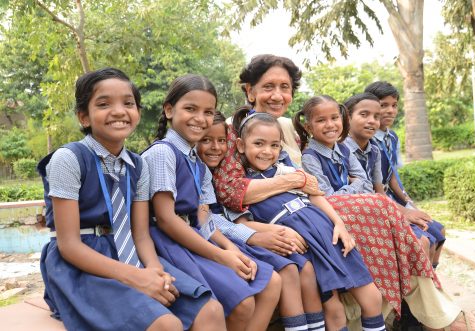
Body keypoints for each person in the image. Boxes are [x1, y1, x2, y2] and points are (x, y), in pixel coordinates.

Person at [213, 54, 475, 331]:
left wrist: (306, 187)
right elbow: (232, 192)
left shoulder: (288, 127)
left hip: (316, 207)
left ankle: (427, 317)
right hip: (288, 217)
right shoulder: (232, 131)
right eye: (268, 87)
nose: (277, 95)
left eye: (284, 87)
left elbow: (314, 184)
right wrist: (295, 183)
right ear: (250, 91)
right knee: (382, 210)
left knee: (397, 223)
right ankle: (442, 319)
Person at [37, 67, 222, 331]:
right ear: (84, 116)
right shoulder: (69, 159)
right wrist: (137, 278)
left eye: (128, 103)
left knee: (210, 310)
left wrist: (155, 270)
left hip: (130, 252)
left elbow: (141, 234)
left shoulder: (138, 166)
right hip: (80, 262)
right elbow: (68, 245)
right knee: (165, 324)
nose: (119, 111)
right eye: (103, 104)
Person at [141, 74, 280, 331]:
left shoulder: (198, 163)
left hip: (194, 234)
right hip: (166, 242)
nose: (200, 118)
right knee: (242, 302)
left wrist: (231, 249)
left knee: (270, 280)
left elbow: (203, 217)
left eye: (208, 112)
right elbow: (166, 219)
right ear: (169, 110)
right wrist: (221, 256)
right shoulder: (163, 153)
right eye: (190, 109)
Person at [235, 112, 387, 331]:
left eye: (274, 145)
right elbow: (240, 222)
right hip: (302, 239)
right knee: (333, 309)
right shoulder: (239, 182)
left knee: (370, 296)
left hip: (325, 229)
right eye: (259, 143)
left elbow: (316, 195)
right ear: (241, 145)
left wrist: (339, 224)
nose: (267, 151)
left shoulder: (287, 170)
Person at [198, 111, 326, 331]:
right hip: (220, 236)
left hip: (241, 229)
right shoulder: (205, 172)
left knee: (300, 266)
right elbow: (207, 219)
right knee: (280, 274)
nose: (216, 147)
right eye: (206, 140)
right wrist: (256, 234)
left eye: (221, 141)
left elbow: (313, 189)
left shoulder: (231, 167)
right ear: (240, 144)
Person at [343, 92, 438, 259]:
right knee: (420, 241)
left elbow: (379, 190)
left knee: (426, 234)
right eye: (364, 115)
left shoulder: (374, 149)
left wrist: (405, 208)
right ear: (347, 118)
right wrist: (402, 212)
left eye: (376, 116)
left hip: (378, 207)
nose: (372, 121)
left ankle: (424, 283)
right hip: (356, 216)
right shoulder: (341, 150)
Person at [364, 81, 446, 268]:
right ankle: (419, 285)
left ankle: (431, 277)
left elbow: (392, 175)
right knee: (424, 238)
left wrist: (408, 202)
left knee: (438, 229)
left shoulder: (392, 137)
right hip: (377, 200)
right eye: (383, 105)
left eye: (394, 105)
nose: (390, 111)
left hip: (391, 196)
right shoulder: (367, 139)